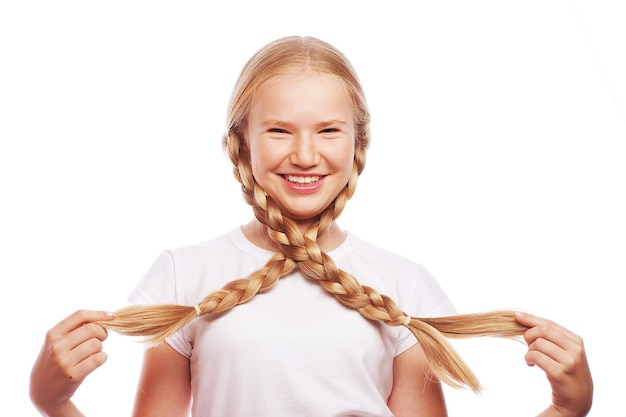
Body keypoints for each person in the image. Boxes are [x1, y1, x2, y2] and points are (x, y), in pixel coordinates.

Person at [29, 36, 593, 417]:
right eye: (278, 130)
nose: (305, 154)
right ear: (241, 143)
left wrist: (568, 407)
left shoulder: (407, 285)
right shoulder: (183, 274)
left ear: (358, 143)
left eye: (328, 130)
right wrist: (52, 401)